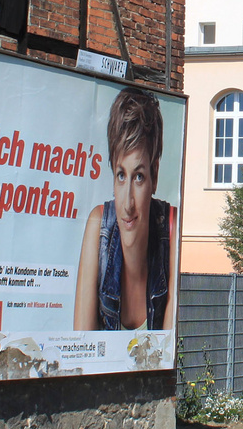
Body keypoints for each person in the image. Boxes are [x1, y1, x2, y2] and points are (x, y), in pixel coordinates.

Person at [73, 87, 179, 332]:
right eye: (121, 175)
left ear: (155, 174)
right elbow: (80, 349)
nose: (128, 204)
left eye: (139, 177)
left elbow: (170, 355)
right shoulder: (98, 227)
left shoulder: (172, 229)